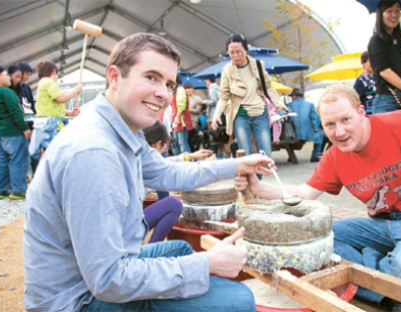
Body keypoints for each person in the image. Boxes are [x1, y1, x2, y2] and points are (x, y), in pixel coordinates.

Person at [23, 32, 273, 312]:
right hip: (77, 300)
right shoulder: (94, 153)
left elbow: (170, 174)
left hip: (94, 274)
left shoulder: (117, 127)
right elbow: (108, 281)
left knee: (179, 250)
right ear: (115, 77)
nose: (163, 93)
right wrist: (207, 263)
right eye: (151, 77)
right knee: (239, 300)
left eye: (168, 83)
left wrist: (238, 164)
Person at [235, 85, 401, 306]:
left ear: (361, 113)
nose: (339, 132)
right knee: (313, 240)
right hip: (382, 225)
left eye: (346, 120)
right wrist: (257, 187)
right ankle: (388, 279)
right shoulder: (335, 155)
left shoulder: (400, 123)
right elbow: (306, 193)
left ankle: (379, 278)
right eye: (330, 125)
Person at [211, 33, 287, 157]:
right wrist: (216, 114)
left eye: (239, 52)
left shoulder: (258, 65)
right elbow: (223, 96)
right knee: (246, 155)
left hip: (259, 113)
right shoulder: (227, 69)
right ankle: (253, 177)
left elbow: (268, 87)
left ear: (246, 50)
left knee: (266, 154)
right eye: (231, 52)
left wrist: (279, 103)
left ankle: (257, 177)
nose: (235, 56)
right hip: (240, 116)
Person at [0, 65, 31, 201]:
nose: (9, 78)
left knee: (2, 162)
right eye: (5, 75)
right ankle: (19, 190)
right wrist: (25, 129)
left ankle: (1, 190)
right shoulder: (7, 93)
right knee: (18, 160)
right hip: (13, 132)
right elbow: (16, 113)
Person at [28, 61, 82, 164]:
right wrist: (76, 90)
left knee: (34, 151)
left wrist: (70, 113)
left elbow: (54, 108)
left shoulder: (42, 84)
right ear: (53, 72)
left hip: (41, 122)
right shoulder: (49, 82)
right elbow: (61, 98)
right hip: (50, 123)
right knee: (55, 153)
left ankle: (38, 170)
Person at [286, 88, 323, 162]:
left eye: (292, 96)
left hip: (292, 135)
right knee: (321, 135)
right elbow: (314, 119)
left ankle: (290, 156)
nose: (291, 98)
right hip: (307, 134)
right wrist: (316, 129)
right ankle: (315, 155)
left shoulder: (288, 105)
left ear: (295, 96)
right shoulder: (310, 105)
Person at [171, 75, 193, 154]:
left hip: (181, 121)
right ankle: (178, 162)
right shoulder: (175, 91)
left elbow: (181, 106)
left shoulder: (180, 90)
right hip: (176, 121)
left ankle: (189, 163)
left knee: (183, 144)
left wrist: (177, 117)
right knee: (175, 144)